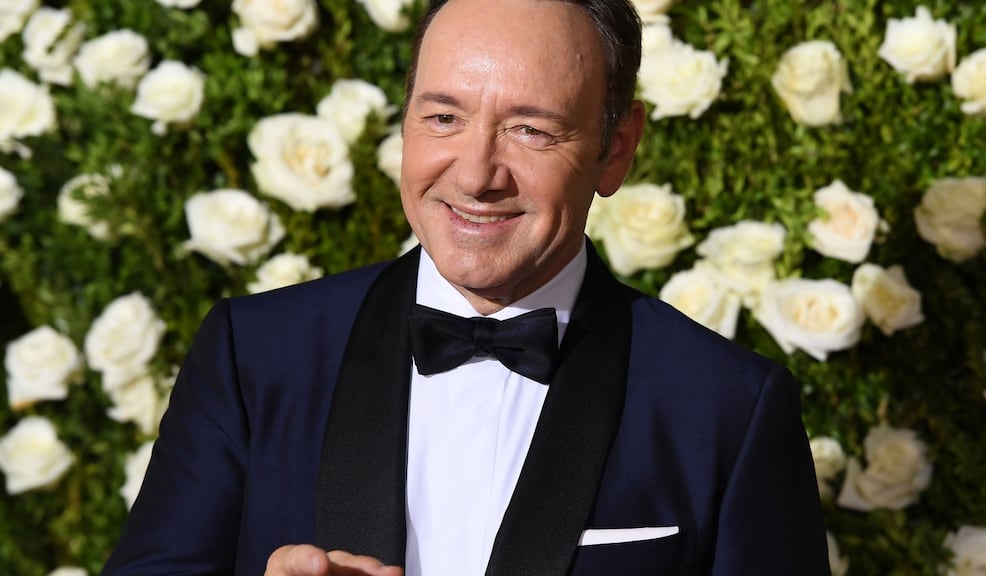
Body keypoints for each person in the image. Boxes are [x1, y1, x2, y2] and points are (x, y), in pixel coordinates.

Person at [102, 0, 830, 574]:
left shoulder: (729, 409)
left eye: (531, 130)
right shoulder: (252, 357)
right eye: (444, 117)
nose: (477, 173)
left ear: (616, 151)